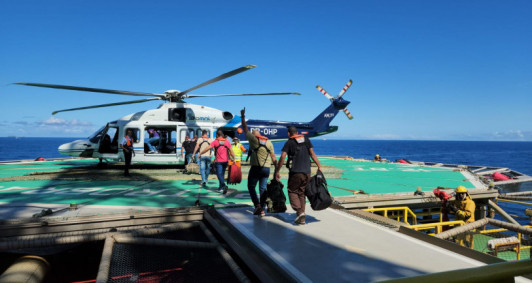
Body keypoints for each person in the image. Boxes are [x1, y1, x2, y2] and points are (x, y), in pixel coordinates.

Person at [275, 126, 321, 225]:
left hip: (296, 172)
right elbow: (312, 153)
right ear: (297, 132)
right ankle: (302, 218)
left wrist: (277, 171)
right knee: (301, 193)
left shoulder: (289, 142)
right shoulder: (306, 139)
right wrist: (319, 166)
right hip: (307, 172)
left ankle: (300, 212)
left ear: (289, 133)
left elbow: (283, 156)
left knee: (292, 191)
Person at [241, 108, 277, 217]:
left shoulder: (253, 139)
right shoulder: (269, 142)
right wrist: (277, 171)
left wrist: (242, 116)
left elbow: (245, 128)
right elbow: (274, 157)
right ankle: (262, 210)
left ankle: (257, 206)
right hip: (267, 169)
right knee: (263, 189)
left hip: (256, 168)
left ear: (254, 135)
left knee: (251, 186)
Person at [200, 129, 235, 194]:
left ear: (217, 135)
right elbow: (231, 151)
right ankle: (220, 187)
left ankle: (223, 186)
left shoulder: (215, 141)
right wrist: (234, 158)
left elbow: (207, 148)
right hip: (226, 161)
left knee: (219, 174)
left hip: (218, 161)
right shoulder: (227, 142)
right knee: (222, 174)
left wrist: (200, 153)